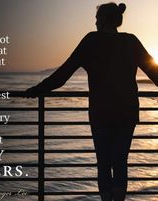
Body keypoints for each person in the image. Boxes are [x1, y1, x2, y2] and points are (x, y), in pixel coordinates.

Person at [25, 2, 158, 201]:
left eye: (97, 19)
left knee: (103, 164)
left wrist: (37, 89)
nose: (94, 22)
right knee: (120, 162)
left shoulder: (91, 40)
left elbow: (63, 74)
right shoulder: (131, 41)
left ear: (103, 19)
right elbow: (154, 73)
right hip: (126, 112)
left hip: (101, 113)